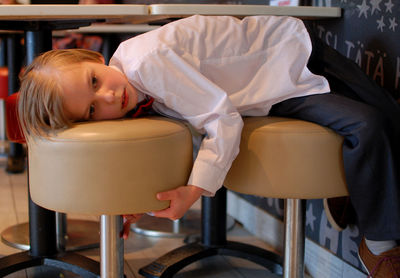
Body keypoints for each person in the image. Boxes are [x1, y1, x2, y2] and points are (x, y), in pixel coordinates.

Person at [17, 15, 399, 277]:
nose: (110, 98)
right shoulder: (132, 89)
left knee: (382, 118)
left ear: (96, 56)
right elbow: (173, 134)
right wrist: (138, 201)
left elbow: (221, 119)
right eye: (92, 108)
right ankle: (381, 246)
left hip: (292, 53)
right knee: (368, 125)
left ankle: (355, 187)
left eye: (95, 80)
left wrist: (196, 190)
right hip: (267, 94)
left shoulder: (145, 63)